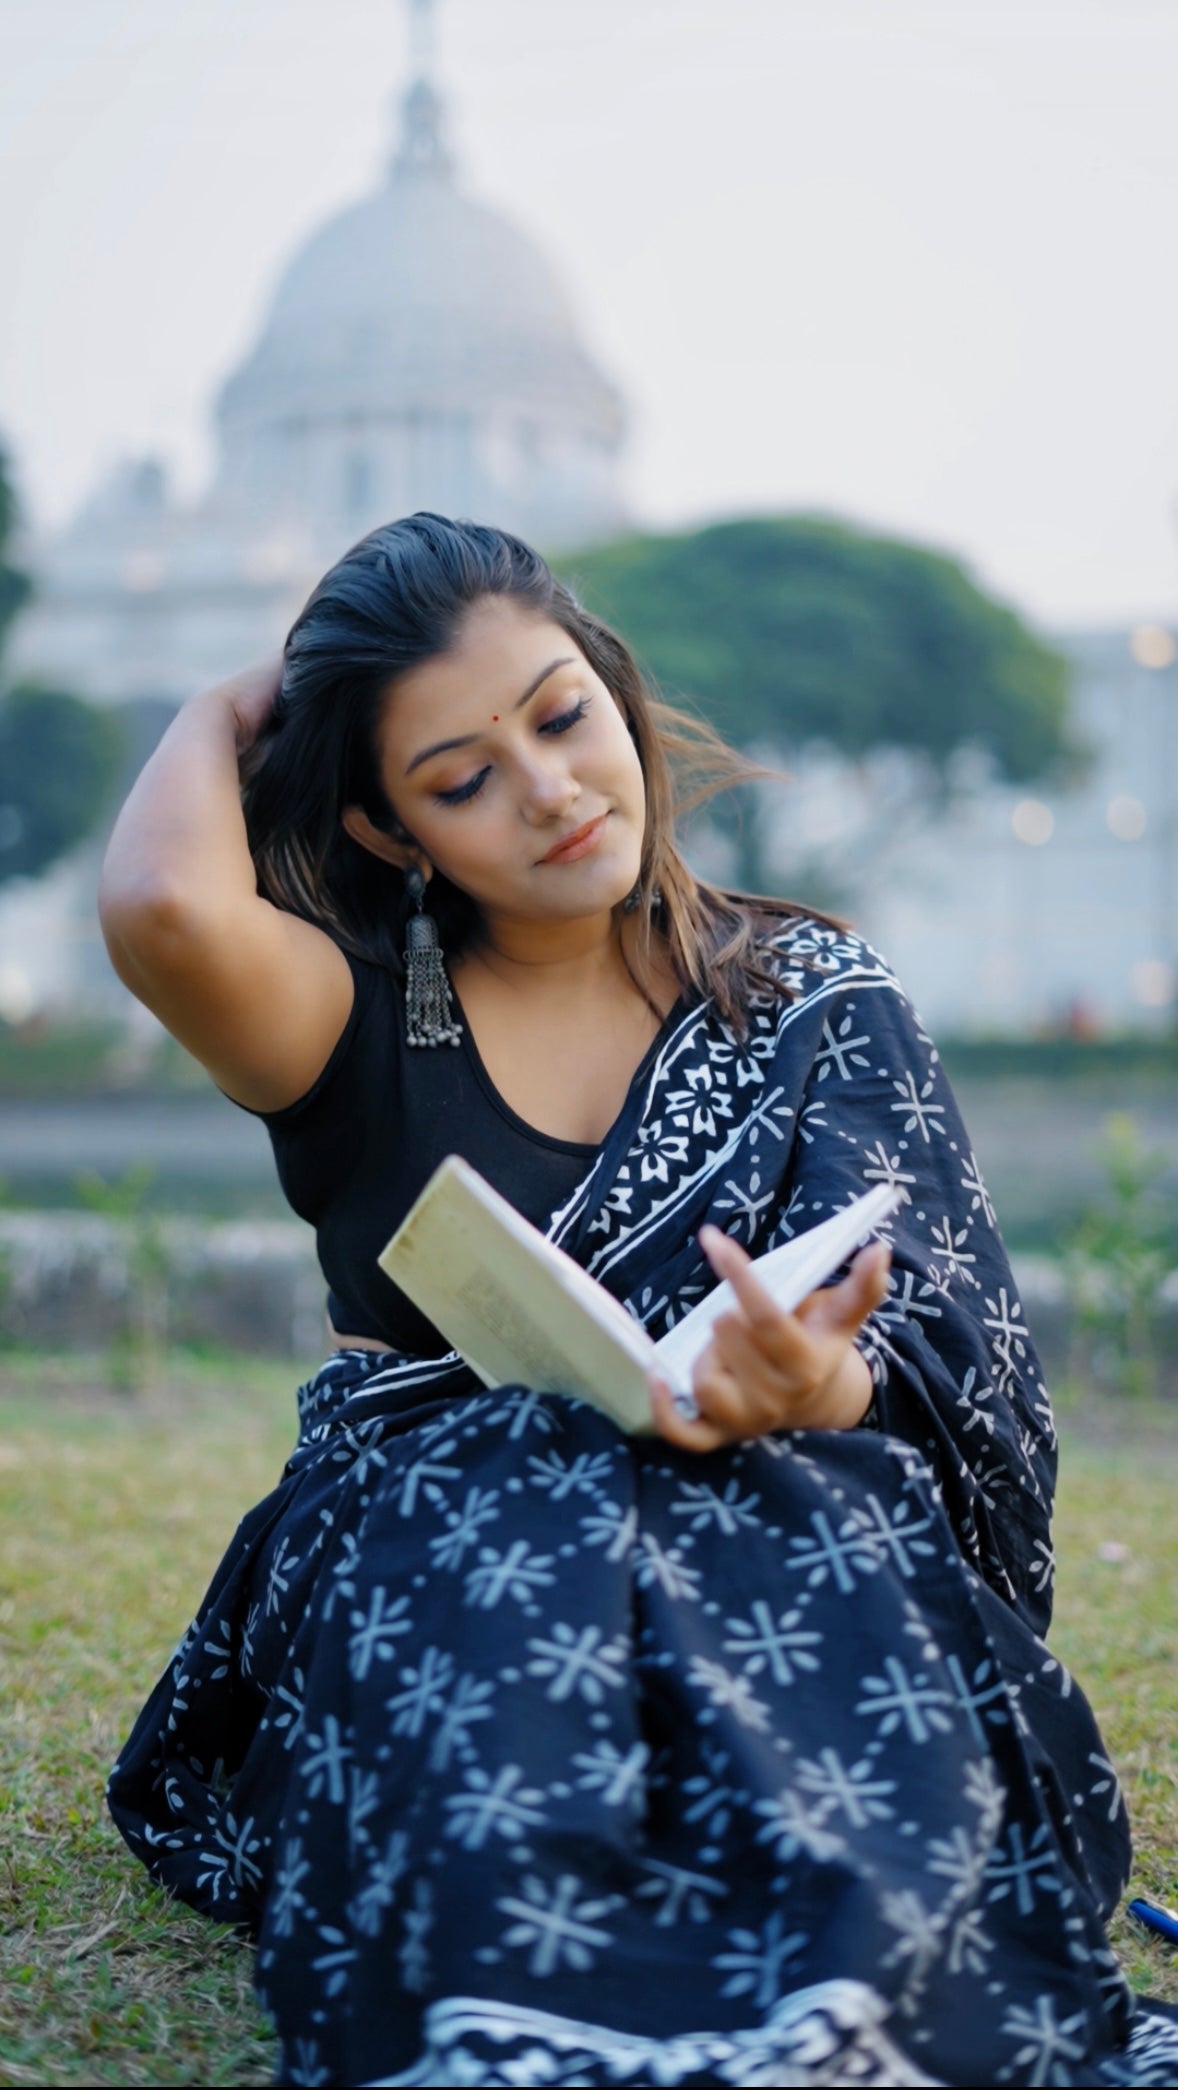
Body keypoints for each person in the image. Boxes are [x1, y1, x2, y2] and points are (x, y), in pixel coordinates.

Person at [100, 514, 1177, 2089]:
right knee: (519, 1526)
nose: (546, 790)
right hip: (436, 1541)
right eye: (459, 777)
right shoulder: (348, 1018)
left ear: (609, 687)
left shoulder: (815, 996)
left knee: (820, 1578)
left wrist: (811, 1389)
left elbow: (939, 1339)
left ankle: (852, 2024)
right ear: (393, 834)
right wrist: (233, 698)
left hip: (774, 1508)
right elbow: (166, 912)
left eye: (557, 714)